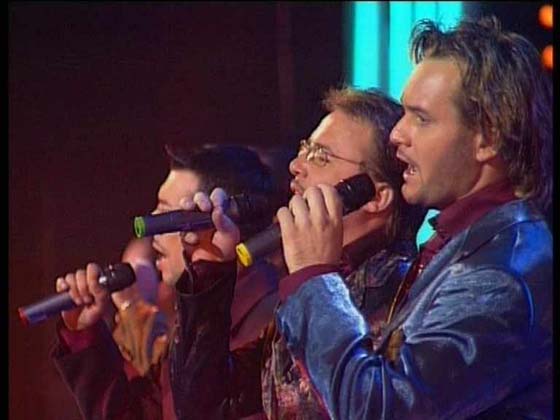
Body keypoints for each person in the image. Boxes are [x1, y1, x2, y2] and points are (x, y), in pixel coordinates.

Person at [265, 16, 551, 419]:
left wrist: (315, 278)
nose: (397, 134)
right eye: (403, 114)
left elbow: (379, 409)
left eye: (421, 118)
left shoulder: (501, 275)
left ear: (488, 138)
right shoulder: (472, 247)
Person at [168, 87, 427, 418]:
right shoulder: (306, 291)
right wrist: (210, 268)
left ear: (375, 196)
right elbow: (203, 407)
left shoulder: (409, 297)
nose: (295, 165)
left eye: (320, 156)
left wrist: (315, 278)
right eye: (304, 148)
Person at [50, 144, 283, 419]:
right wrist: (85, 336)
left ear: (221, 223)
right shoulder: (191, 327)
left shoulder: (276, 326)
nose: (152, 232)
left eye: (167, 215)